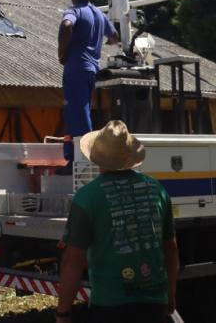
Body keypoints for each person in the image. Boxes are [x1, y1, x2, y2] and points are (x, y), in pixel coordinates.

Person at [55, 121, 179, 322]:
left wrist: (63, 312)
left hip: (108, 306)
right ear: (130, 156)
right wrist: (170, 296)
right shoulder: (157, 190)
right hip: (154, 304)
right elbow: (170, 248)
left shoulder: (87, 197)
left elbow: (73, 260)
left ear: (97, 157)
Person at [57, 0, 117, 164]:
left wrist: (61, 52)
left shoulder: (74, 11)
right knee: (80, 109)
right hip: (92, 69)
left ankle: (84, 155)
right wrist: (102, 42)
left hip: (76, 68)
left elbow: (66, 25)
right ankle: (72, 153)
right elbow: (114, 36)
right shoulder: (99, 15)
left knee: (77, 111)